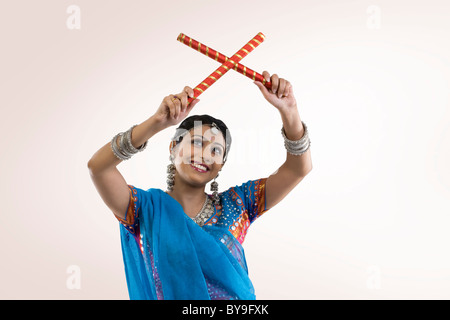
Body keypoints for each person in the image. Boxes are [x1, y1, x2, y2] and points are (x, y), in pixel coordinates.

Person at [87, 71, 313, 300]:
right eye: (196, 143)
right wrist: (155, 124)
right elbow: (98, 168)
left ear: (221, 164)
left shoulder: (237, 204)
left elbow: (298, 169)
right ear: (173, 147)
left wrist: (290, 111)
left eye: (216, 150)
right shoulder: (144, 210)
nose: (205, 155)